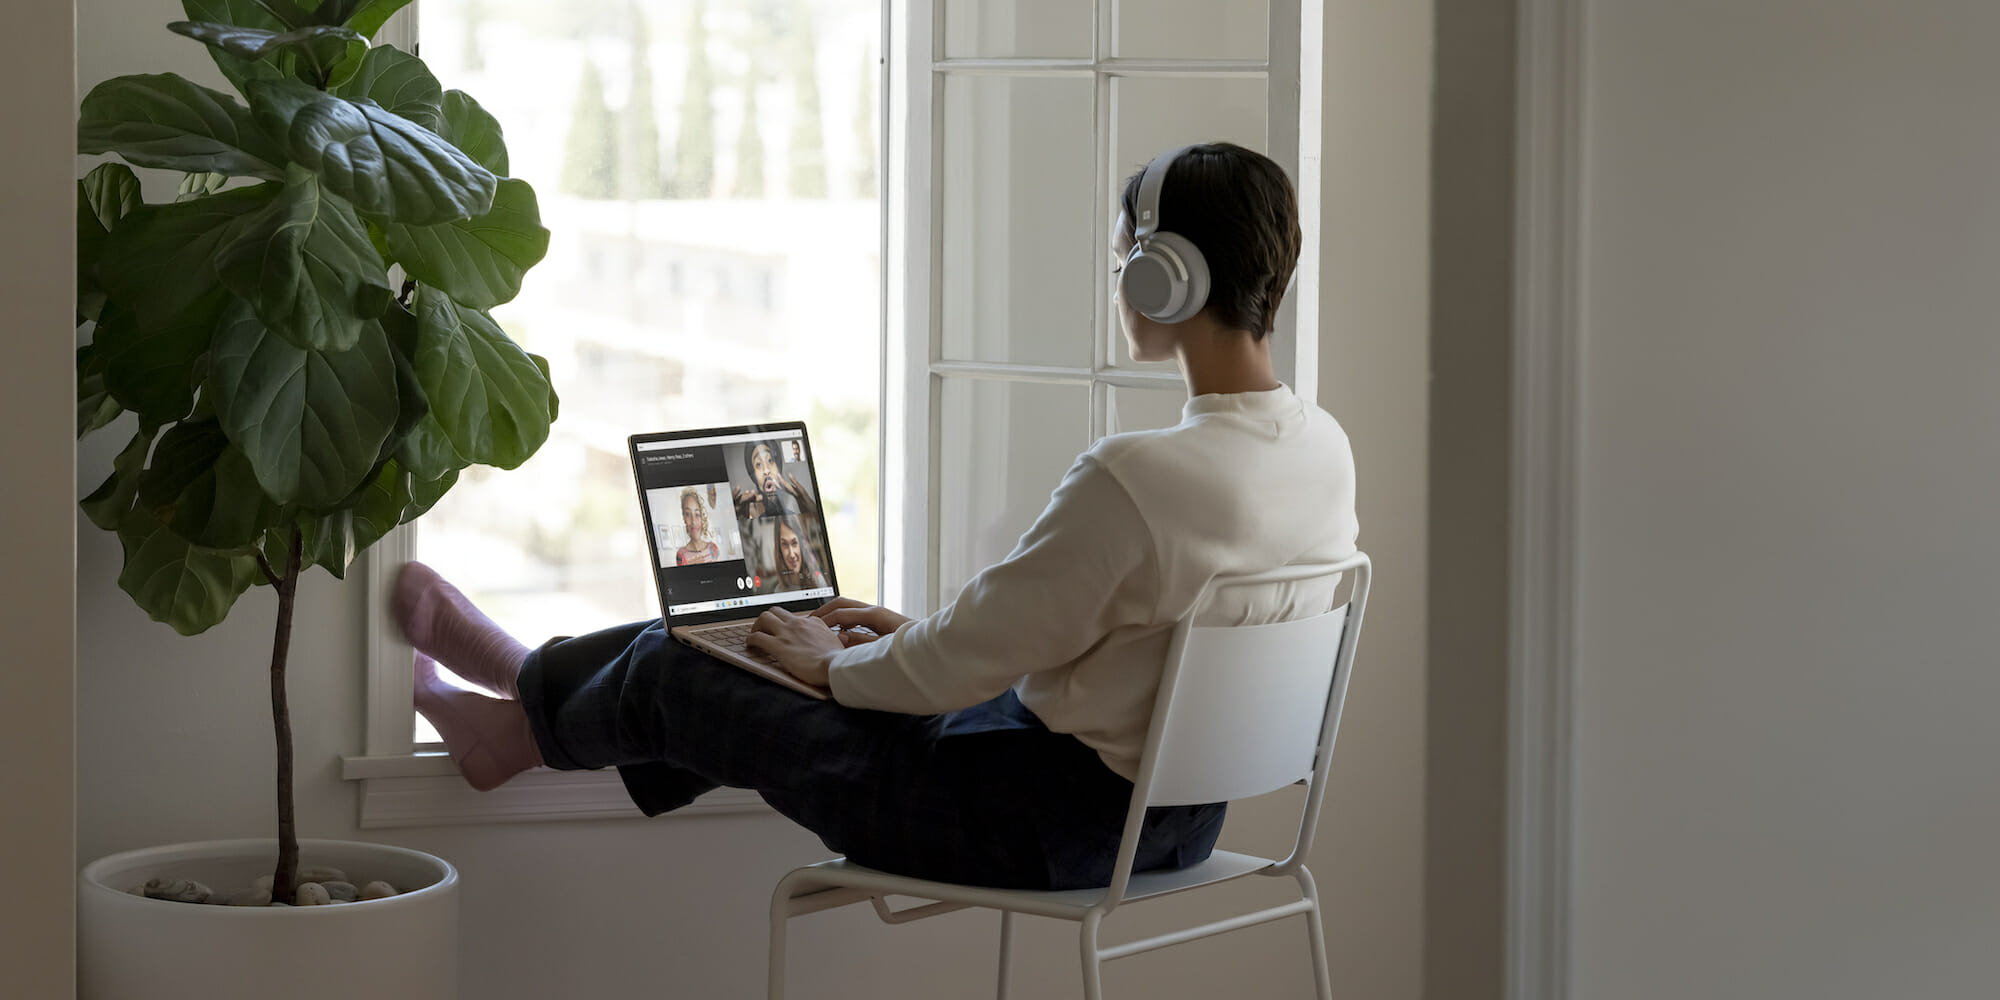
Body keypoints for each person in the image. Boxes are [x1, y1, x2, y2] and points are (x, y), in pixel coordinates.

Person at [400, 142, 1359, 891]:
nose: (1119, 285)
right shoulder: (1322, 451)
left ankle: (514, 727)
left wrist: (845, 666)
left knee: (683, 668)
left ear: (1164, 279)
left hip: (1022, 828)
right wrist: (896, 645)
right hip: (1178, 820)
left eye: (1125, 265)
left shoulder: (1141, 477)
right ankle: (523, 697)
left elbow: (969, 660)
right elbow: (1121, 648)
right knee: (747, 642)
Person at [754, 516, 827, 595]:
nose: (791, 554)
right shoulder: (779, 591)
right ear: (779, 549)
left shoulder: (819, 581)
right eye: (785, 544)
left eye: (794, 543)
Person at [673, 487, 721, 566]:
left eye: (697, 514)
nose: (693, 521)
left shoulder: (713, 549)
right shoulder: (681, 555)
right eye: (688, 514)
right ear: (684, 518)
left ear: (702, 518)